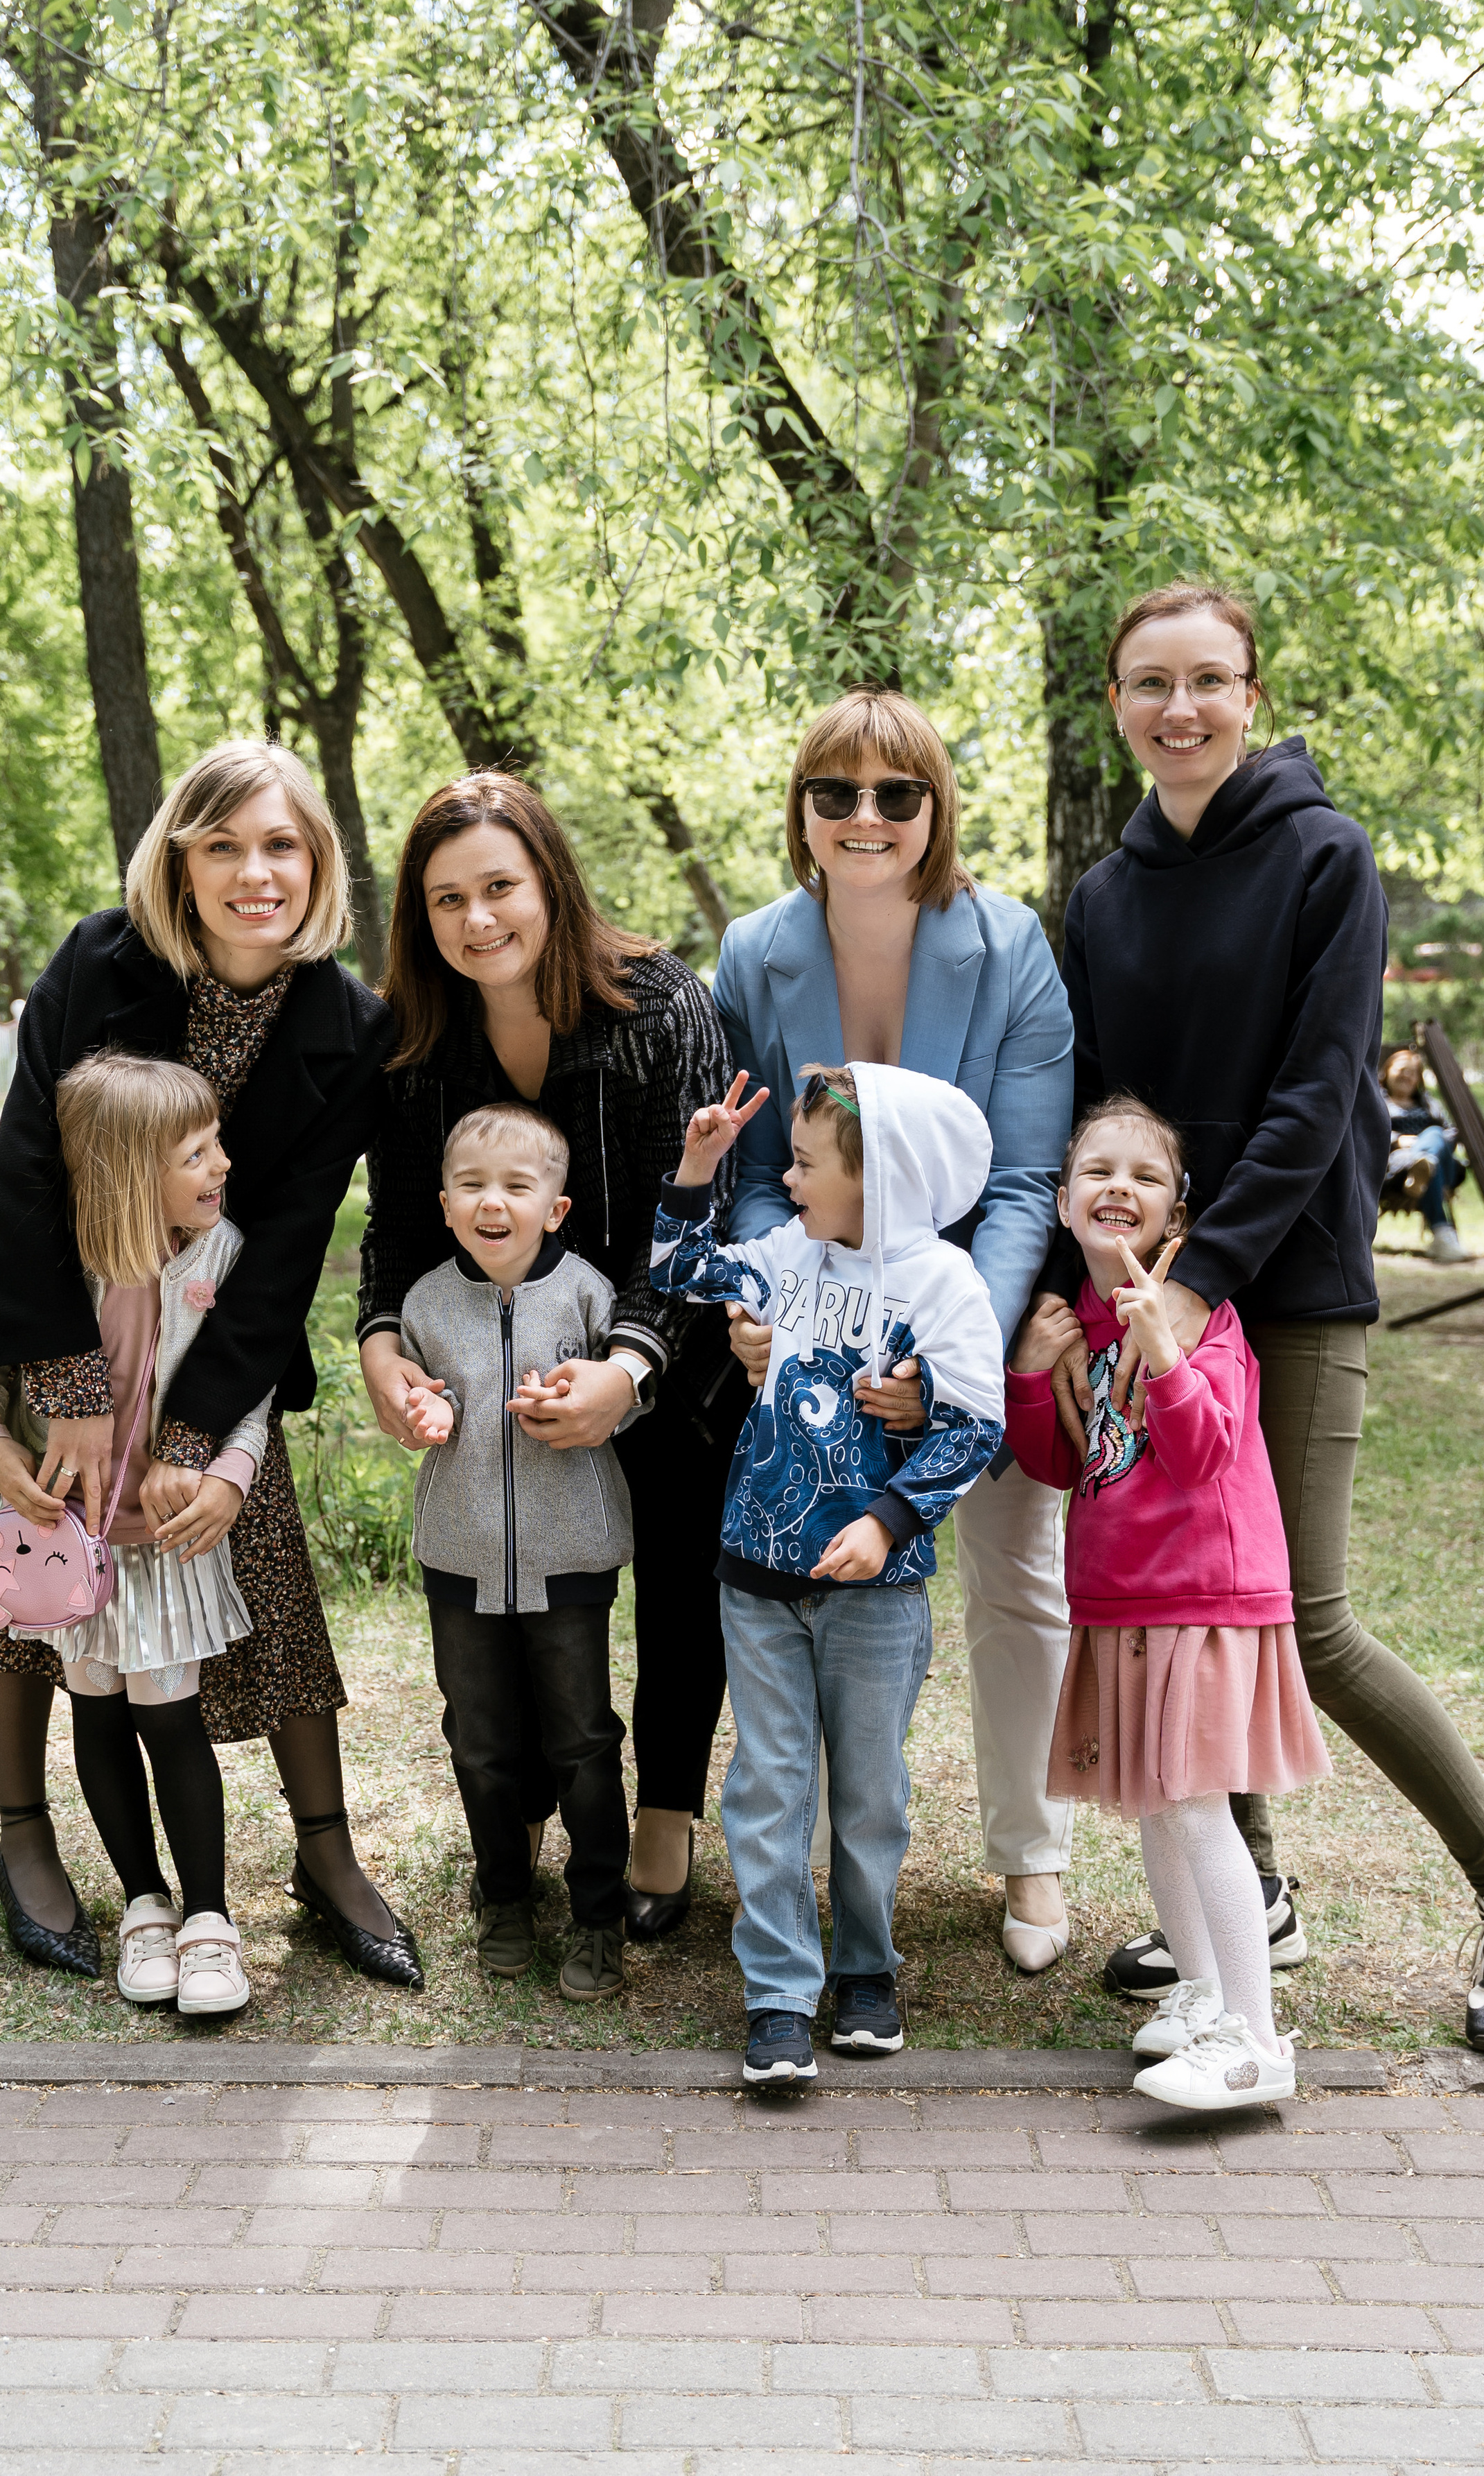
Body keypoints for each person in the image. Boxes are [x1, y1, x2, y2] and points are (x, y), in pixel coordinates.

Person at [1035, 580, 1484, 2057]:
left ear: (1250, 695)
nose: (1179, 709)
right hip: (1141, 1299)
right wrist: (1082, 1291)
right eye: (1148, 685)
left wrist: (1192, 1285)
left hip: (1283, 1289)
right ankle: (1250, 1889)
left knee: (1304, 1619)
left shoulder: (1325, 858)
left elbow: (1313, 1092)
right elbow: (1094, 1108)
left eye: (1207, 681)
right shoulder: (1100, 895)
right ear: (1114, 705)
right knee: (1186, 1605)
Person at [0, 741, 422, 1990]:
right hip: (36, 1308)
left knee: (258, 1572)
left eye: (283, 846)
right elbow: (28, 1169)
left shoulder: (346, 1028)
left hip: (205, 1332)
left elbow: (289, 1246)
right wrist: (70, 1390)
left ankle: (325, 1852)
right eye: (225, 846)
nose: (258, 873)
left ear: (320, 862)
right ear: (179, 863)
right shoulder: (103, 963)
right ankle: (27, 1838)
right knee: (36, 1577)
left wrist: (197, 1439)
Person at [713, 691, 1076, 1978]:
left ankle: (1030, 1847)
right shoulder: (754, 951)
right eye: (836, 794)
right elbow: (756, 1169)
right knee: (804, 1594)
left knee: (1014, 1574)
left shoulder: (1011, 945)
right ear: (801, 811)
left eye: (896, 795)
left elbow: (1027, 1178)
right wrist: (772, 1304)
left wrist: (946, 1337)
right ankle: (796, 1879)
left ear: (936, 808)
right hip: (809, 1324)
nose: (865, 819)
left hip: (970, 1303)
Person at [355, 774, 745, 1939]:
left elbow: (702, 1215)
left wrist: (627, 1367)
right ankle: (519, 1805)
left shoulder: (659, 1009)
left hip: (664, 1351)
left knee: (680, 1573)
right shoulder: (414, 1044)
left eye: (500, 888)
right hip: (497, 1363)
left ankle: (667, 1806)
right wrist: (383, 1351)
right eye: (446, 900)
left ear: (550, 884)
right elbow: (395, 1230)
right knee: (505, 1587)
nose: (478, 920)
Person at [652, 1062, 1006, 2086]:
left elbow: (975, 1427)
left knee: (868, 1791)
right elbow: (677, 1271)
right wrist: (696, 1164)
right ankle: (775, 1994)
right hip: (756, 1577)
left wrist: (889, 1525)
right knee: (766, 1788)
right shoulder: (782, 1256)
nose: (790, 1178)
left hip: (876, 1599)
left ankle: (864, 1970)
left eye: (807, 1163)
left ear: (879, 1173)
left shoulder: (942, 1284)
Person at [1006, 1097, 1332, 2109]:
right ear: (1064, 1205)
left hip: (1204, 1599)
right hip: (1120, 1601)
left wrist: (1165, 1349)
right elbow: (1059, 1463)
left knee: (1195, 1811)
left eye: (1144, 1177)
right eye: (1097, 1170)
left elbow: (1202, 1455)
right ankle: (1200, 1998)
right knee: (1155, 1808)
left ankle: (1257, 2041)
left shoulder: (1204, 1319)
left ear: (1176, 1216)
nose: (1119, 1187)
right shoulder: (1080, 1330)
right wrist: (1029, 1373)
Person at [0, 1056, 264, 2014]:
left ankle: (210, 1922)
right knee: (97, 1717)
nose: (223, 1165)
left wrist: (230, 1478)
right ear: (130, 1171)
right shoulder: (49, 1271)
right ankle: (145, 1907)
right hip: (68, 1558)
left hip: (165, 1551)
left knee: (171, 1722)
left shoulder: (220, 1256)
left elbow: (253, 1386)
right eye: (197, 1153)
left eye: (216, 1144)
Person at [399, 1103, 642, 2000]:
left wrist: (590, 1397)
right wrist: (425, 1415)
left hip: (571, 1556)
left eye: (515, 1186)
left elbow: (629, 1400)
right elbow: (415, 1399)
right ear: (446, 1203)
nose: (491, 1202)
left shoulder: (585, 1292)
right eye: (472, 1186)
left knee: (582, 1741)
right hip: (460, 1559)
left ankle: (597, 1914)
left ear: (556, 1208)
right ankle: (504, 1896)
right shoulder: (425, 1301)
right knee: (480, 1741)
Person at [1380, 1046, 1470, 1265]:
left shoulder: (1429, 1103)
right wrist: (1398, 1140)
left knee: (1435, 1135)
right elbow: (1366, 1132)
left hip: (1440, 1162)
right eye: (1401, 1070)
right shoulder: (1378, 1102)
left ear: (1418, 1079)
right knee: (1430, 1162)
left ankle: (1424, 1163)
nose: (1406, 1076)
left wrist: (1426, 1143)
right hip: (1399, 1168)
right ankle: (1442, 1234)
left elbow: (1451, 1132)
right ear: (1387, 1071)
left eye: (1412, 1073)